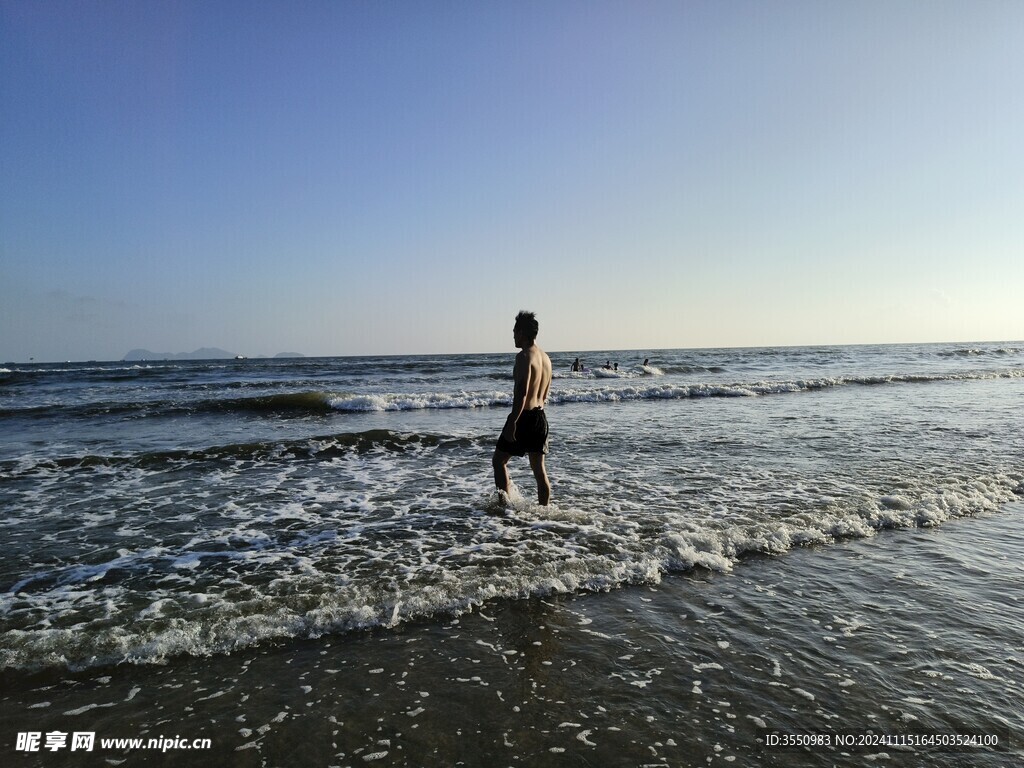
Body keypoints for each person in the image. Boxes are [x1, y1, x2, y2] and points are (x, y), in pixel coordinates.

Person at [493, 310, 553, 505]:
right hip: (540, 417)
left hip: (524, 417)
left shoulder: (524, 356)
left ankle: (505, 507)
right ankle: (544, 512)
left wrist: (513, 421)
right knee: (539, 470)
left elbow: (522, 392)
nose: (513, 335)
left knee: (499, 460)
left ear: (521, 332)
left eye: (514, 331)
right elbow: (543, 395)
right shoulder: (546, 358)